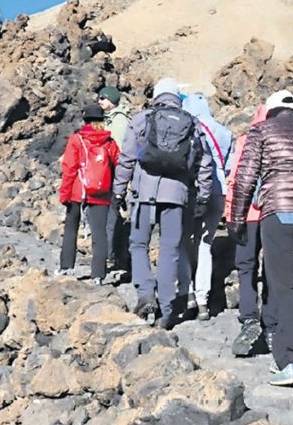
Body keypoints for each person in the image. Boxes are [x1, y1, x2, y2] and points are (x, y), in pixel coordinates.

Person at [228, 90, 293, 386]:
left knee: (283, 286)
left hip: (280, 212)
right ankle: (286, 356)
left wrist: (236, 220)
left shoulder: (262, 131)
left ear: (270, 111)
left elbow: (246, 177)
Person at [113, 77, 214, 329]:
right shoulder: (192, 124)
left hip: (144, 193)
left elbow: (126, 158)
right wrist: (202, 195)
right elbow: (205, 164)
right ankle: (166, 311)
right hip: (177, 196)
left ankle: (146, 294)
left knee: (139, 244)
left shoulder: (142, 119)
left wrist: (118, 191)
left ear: (156, 96)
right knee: (169, 249)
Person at [224, 104, 275, 357]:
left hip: (248, 214)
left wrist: (231, 213)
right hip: (274, 213)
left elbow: (236, 178)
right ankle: (271, 324)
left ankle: (249, 317)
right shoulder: (279, 139)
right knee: (273, 269)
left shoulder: (246, 140)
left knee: (246, 266)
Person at [181, 93, 233, 319]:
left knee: (183, 241)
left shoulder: (188, 127)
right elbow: (229, 167)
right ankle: (204, 300)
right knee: (205, 244)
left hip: (194, 191)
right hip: (218, 191)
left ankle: (189, 293)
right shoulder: (224, 131)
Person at [57, 103, 120, 284]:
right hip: (102, 192)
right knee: (99, 233)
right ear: (102, 120)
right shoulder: (109, 142)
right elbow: (119, 164)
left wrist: (64, 193)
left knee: (71, 227)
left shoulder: (77, 140)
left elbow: (69, 168)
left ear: (85, 120)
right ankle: (98, 275)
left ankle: (66, 267)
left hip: (79, 191)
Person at [97, 85, 133, 272]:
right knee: (113, 216)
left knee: (111, 216)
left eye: (103, 98)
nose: (100, 101)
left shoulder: (119, 121)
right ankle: (116, 254)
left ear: (112, 100)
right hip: (111, 174)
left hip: (113, 175)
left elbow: (118, 151)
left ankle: (111, 256)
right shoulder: (111, 118)